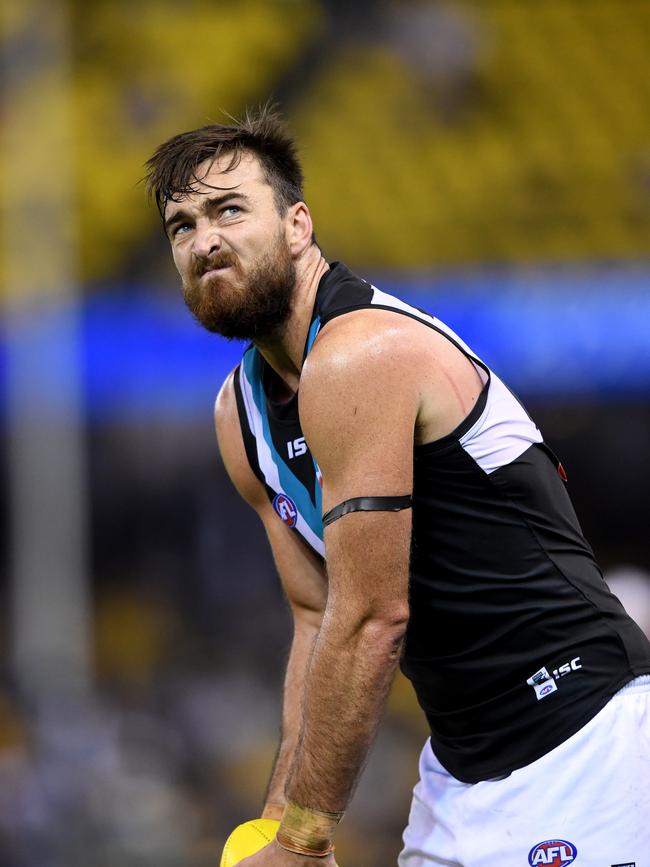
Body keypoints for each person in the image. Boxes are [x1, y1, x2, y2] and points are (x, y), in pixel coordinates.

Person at [145, 107, 650, 866]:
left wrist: (305, 839)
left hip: (586, 743)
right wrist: (280, 811)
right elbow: (316, 615)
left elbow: (374, 616)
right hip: (462, 774)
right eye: (181, 226)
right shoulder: (239, 413)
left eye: (228, 210)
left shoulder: (362, 352)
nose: (204, 239)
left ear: (297, 225)